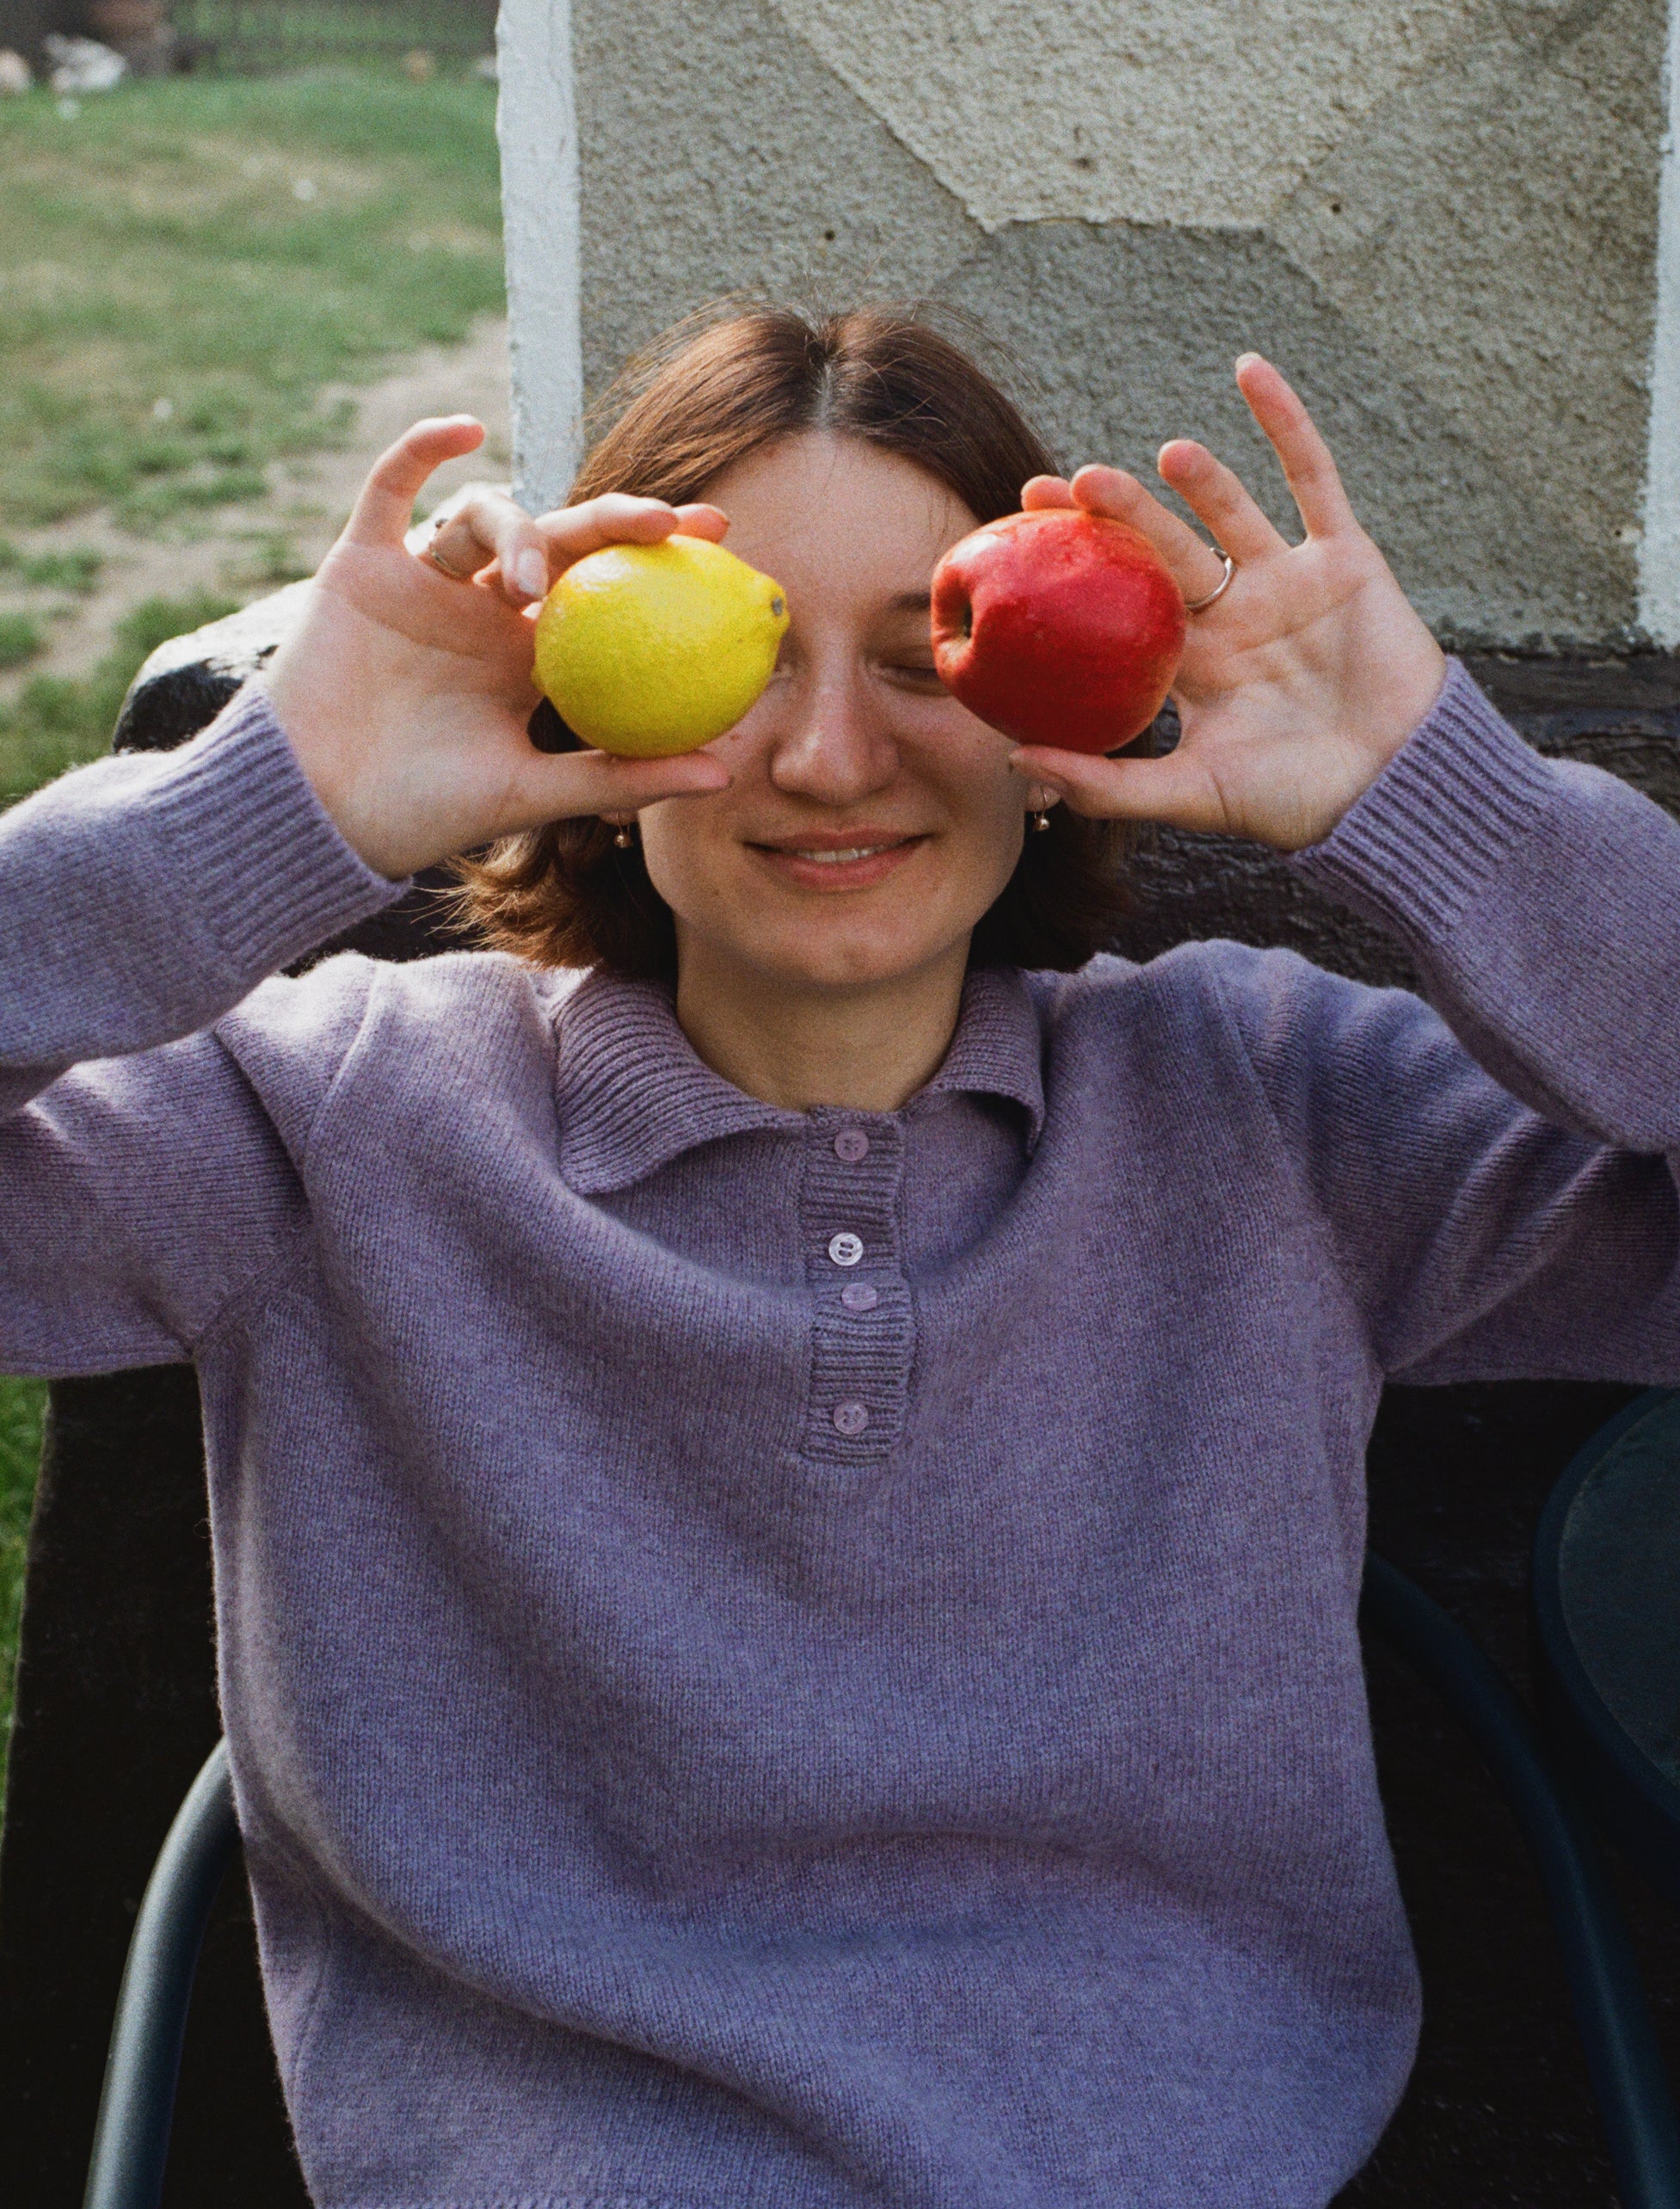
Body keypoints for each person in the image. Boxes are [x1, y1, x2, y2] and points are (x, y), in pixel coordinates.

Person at [3, 304, 1678, 2209]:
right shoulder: (327, 1134)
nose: (823, 755)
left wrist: (1442, 808)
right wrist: (253, 813)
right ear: (591, 709)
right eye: (738, 664)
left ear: (1052, 734)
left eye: (923, 658)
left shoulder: (1278, 1112)